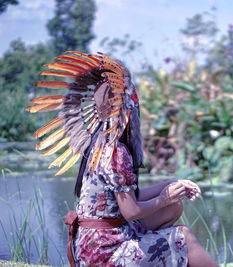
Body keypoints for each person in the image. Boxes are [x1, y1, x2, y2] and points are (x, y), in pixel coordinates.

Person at [26, 52, 218, 266]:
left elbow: (128, 199)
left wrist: (172, 186)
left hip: (89, 246)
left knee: (173, 208)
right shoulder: (116, 152)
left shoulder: (97, 144)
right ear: (127, 112)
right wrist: (163, 197)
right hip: (104, 253)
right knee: (184, 237)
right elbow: (131, 211)